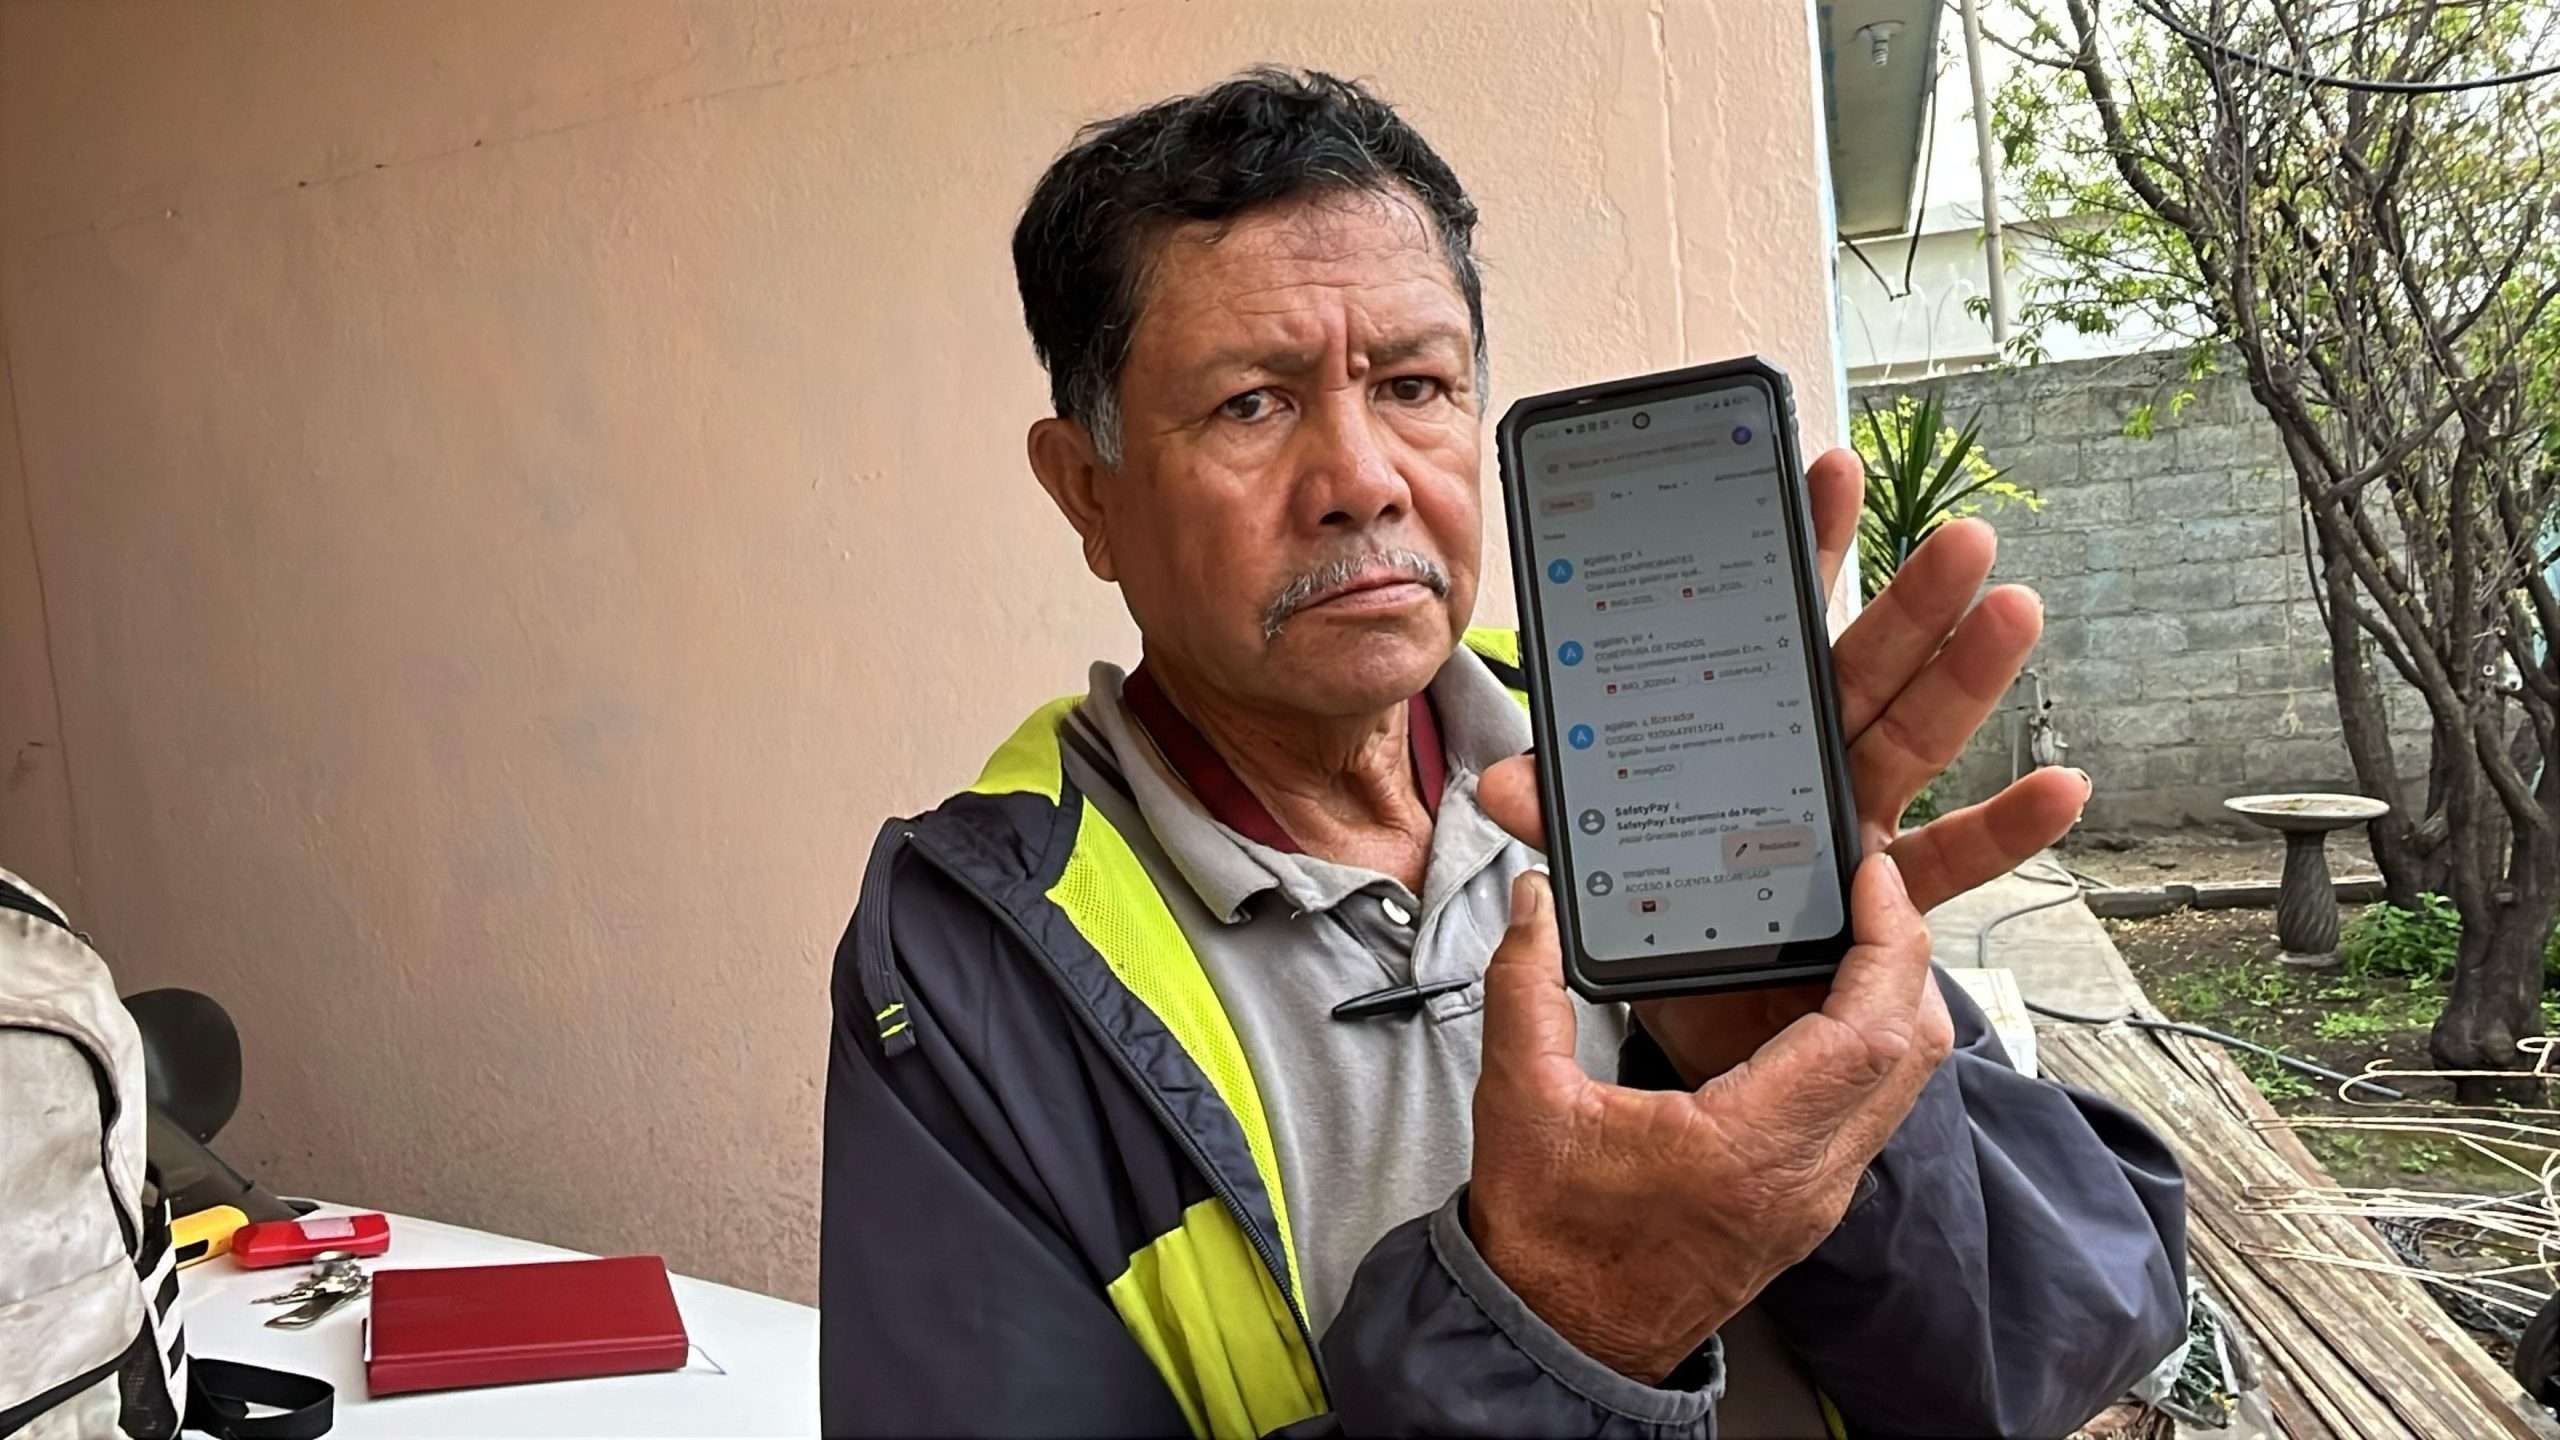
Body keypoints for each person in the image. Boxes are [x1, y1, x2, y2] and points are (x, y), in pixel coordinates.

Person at [821, 68, 2186, 1439]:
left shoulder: (1644, 753)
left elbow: (2064, 1331)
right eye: (1250, 404)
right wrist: (1565, 1322)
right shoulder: (975, 952)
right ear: (1089, 493)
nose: (1364, 479)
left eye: (1414, 385)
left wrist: (1840, 1093)